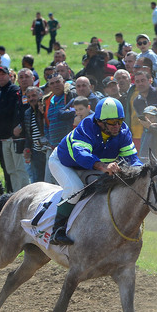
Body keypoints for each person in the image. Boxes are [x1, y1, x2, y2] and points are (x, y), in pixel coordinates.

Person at [46, 97, 141, 245]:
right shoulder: (87, 126)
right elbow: (81, 154)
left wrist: (143, 171)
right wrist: (103, 166)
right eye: (112, 122)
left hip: (88, 166)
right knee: (75, 188)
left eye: (120, 121)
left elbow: (132, 159)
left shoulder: (123, 130)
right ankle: (57, 230)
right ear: (100, 122)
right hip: (63, 162)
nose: (117, 126)